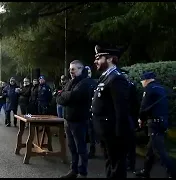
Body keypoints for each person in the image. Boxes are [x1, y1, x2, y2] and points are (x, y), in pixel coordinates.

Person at [92, 45, 133, 178]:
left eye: (99, 58)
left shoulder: (117, 78)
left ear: (109, 59)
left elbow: (121, 109)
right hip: (106, 131)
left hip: (114, 133)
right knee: (110, 163)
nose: (95, 61)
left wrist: (119, 134)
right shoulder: (106, 77)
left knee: (117, 167)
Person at [57, 61, 95, 178]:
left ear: (80, 69)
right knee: (72, 147)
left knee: (81, 148)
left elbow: (72, 96)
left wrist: (65, 95)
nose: (71, 71)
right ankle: (73, 170)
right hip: (68, 120)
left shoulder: (85, 83)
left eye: (73, 69)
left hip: (79, 120)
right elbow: (59, 98)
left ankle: (83, 172)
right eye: (70, 69)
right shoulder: (71, 82)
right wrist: (65, 95)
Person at [134, 72, 175, 178]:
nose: (142, 83)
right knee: (150, 150)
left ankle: (173, 172)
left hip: (155, 123)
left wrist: (140, 119)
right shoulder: (160, 88)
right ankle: (146, 172)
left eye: (142, 80)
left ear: (147, 80)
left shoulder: (149, 89)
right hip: (162, 121)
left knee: (160, 151)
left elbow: (144, 106)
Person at [119, 68, 139, 171]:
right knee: (128, 143)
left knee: (129, 143)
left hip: (128, 117)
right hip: (130, 116)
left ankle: (130, 164)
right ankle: (129, 163)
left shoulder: (128, 86)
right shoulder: (130, 85)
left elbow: (131, 103)